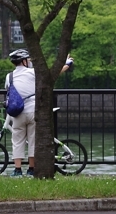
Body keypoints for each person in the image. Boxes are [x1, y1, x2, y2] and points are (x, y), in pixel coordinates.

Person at [5, 49, 73, 177]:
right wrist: (67, 63)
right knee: (33, 140)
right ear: (24, 61)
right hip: (33, 111)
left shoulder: (9, 76)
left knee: (17, 141)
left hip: (17, 112)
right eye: (29, 60)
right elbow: (53, 74)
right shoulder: (33, 73)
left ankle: (17, 170)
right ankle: (31, 169)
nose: (30, 62)